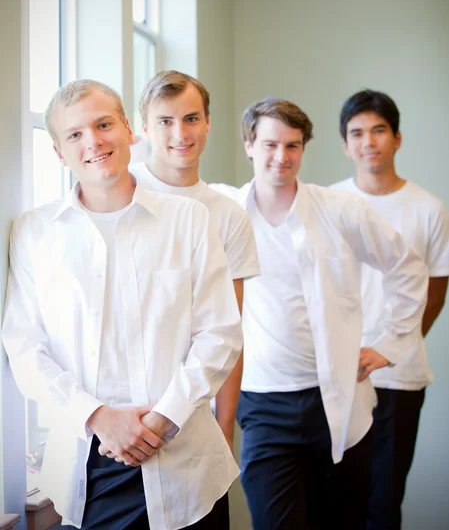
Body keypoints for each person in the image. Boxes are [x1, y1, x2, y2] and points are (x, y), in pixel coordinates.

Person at [1, 79, 242, 530]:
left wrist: (162, 419)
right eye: (74, 134)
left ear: (128, 129)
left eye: (103, 124)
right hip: (87, 470)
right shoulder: (34, 234)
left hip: (187, 469)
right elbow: (24, 349)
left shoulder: (188, 220)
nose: (93, 141)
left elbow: (220, 334)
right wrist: (97, 417)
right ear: (58, 152)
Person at [211, 97, 428, 530]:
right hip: (263, 404)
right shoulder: (225, 213)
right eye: (271, 144)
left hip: (338, 403)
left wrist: (390, 344)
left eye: (293, 146)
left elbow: (408, 267)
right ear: (249, 144)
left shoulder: (339, 209)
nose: (281, 157)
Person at [332, 89, 449, 530]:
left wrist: (394, 346)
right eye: (357, 133)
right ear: (345, 144)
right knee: (337, 500)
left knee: (383, 502)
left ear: (397, 138)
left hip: (399, 379)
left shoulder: (428, 209)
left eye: (378, 130)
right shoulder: (329, 202)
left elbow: (434, 292)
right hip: (337, 378)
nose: (368, 142)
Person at [128, 70, 260, 453]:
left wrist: (225, 425)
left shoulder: (229, 215)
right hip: (124, 415)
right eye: (165, 121)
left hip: (194, 416)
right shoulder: (120, 193)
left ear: (207, 123)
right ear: (144, 128)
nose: (180, 134)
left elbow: (230, 333)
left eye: (190, 119)